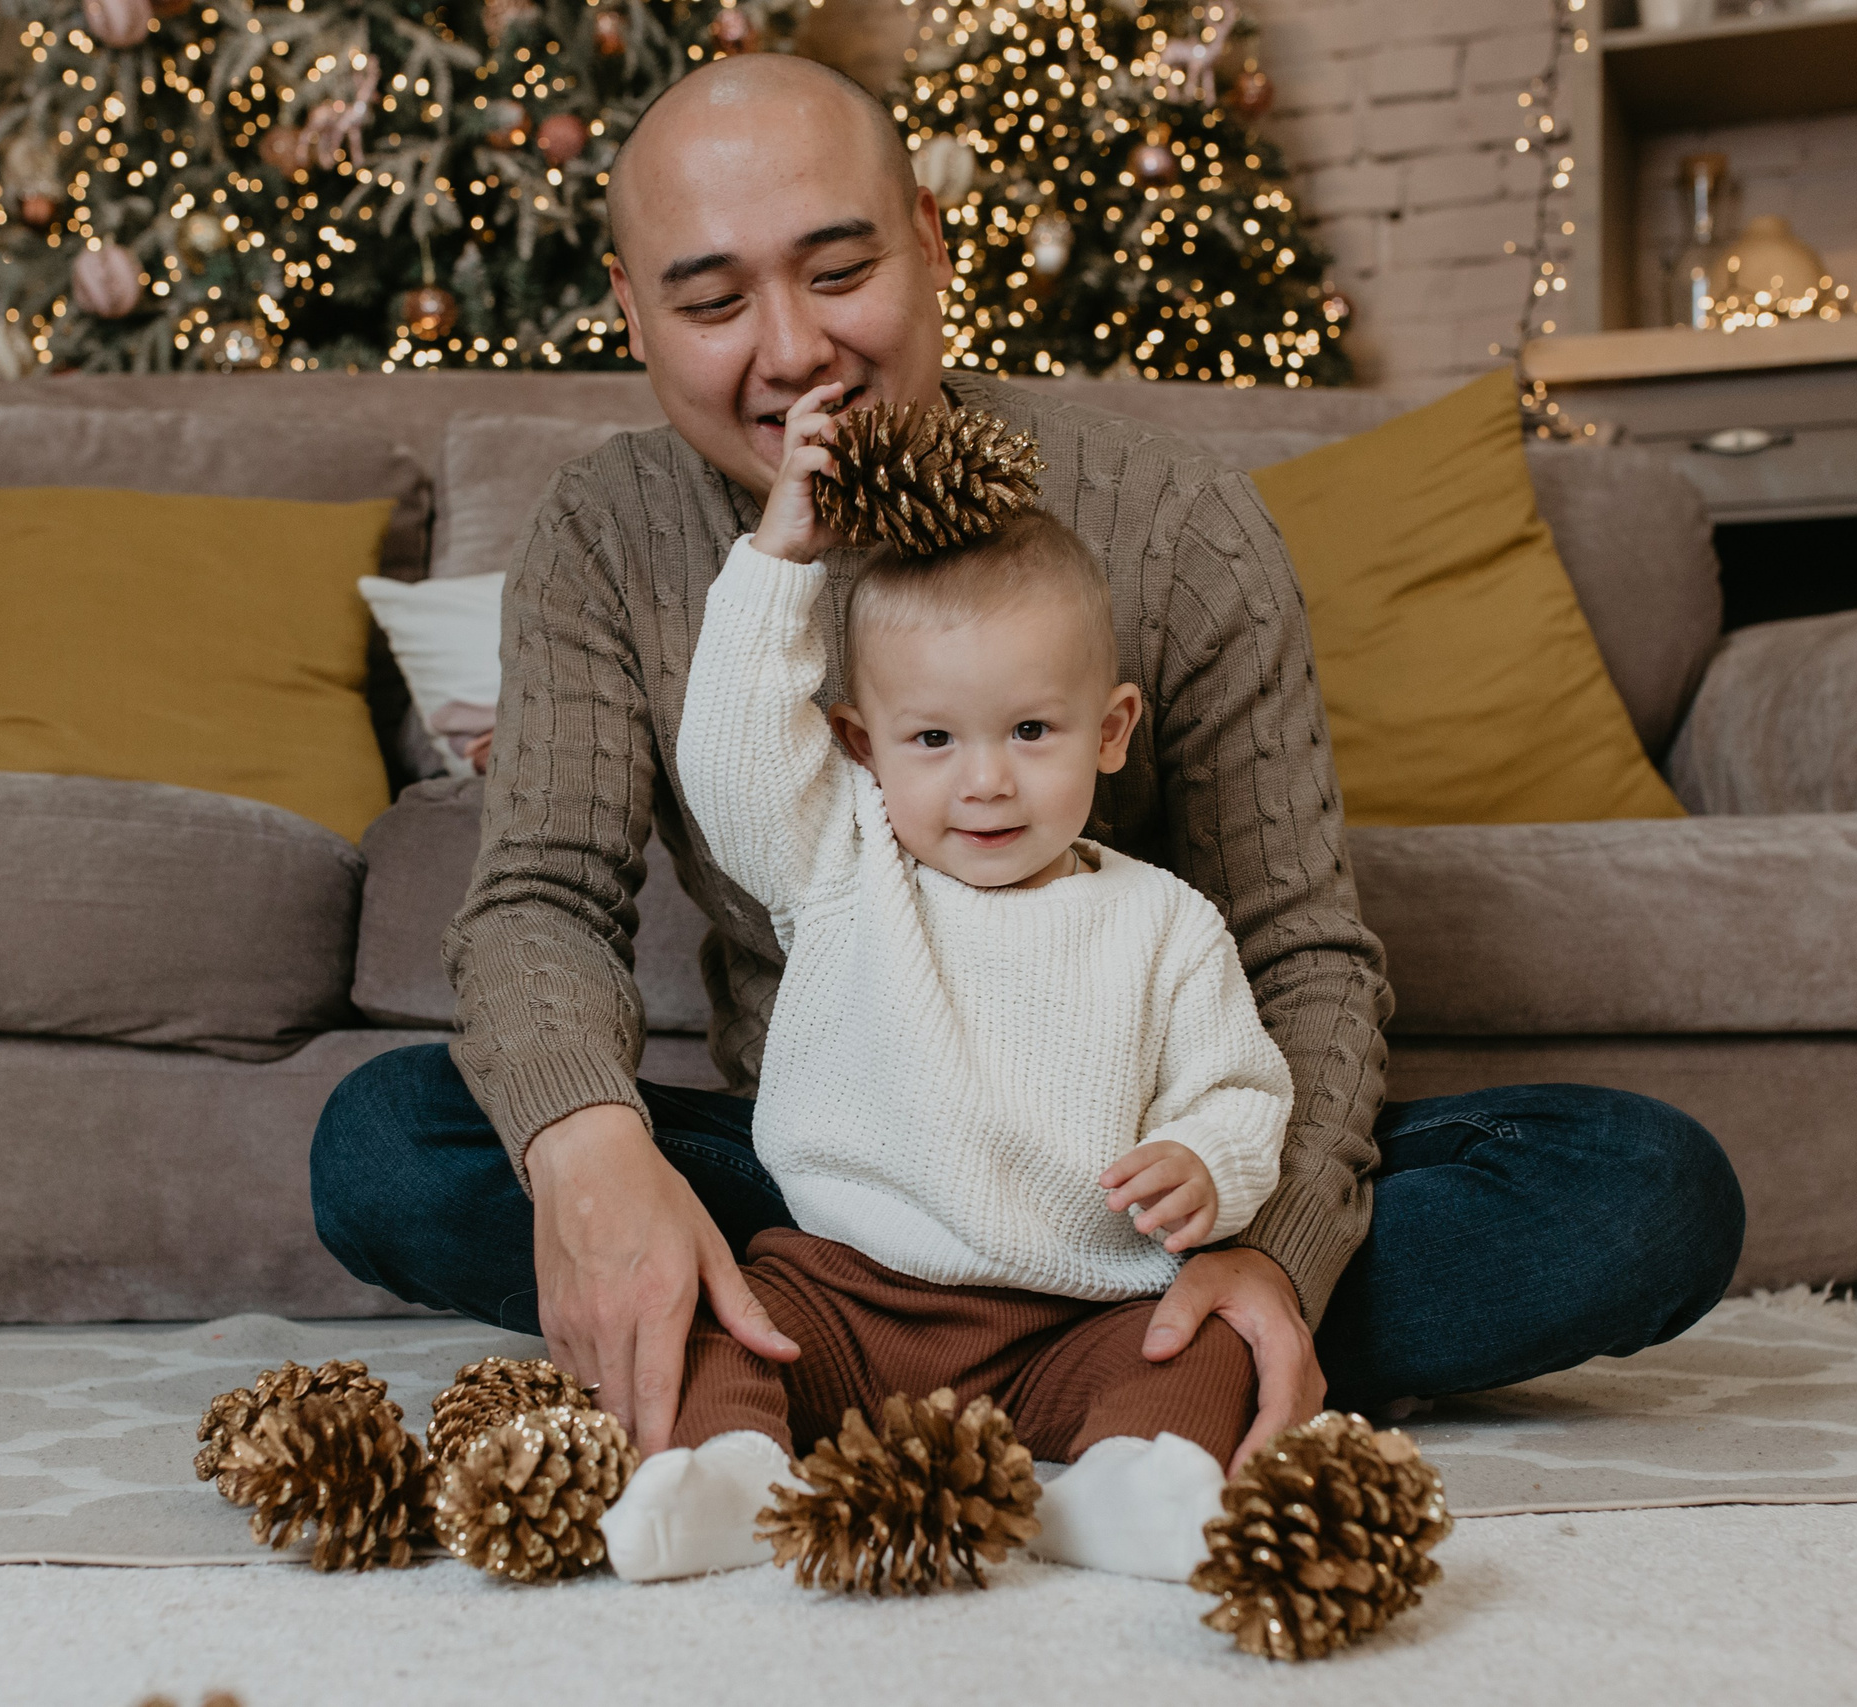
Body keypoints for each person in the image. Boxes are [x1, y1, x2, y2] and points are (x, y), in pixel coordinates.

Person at [309, 52, 1746, 1478]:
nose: (792, 348)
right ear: (632, 313)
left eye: (838, 268)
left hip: (1140, 1202)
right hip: (831, 1199)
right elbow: (540, 902)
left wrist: (1275, 1252)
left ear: (931, 243)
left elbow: (1303, 951)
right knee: (388, 1141)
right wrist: (590, 1157)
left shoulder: (1175, 523)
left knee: (1643, 1190)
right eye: (710, 299)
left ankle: (948, 1358)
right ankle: (1069, 1377)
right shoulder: (606, 534)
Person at [602, 384, 1290, 1583]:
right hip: (845, 1290)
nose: (984, 784)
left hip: (1074, 1313)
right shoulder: (842, 861)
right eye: (934, 741)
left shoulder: (1163, 921)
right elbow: (725, 758)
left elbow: (1238, 1090)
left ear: (1111, 728)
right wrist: (779, 555)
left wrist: (1206, 1167)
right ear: (863, 746)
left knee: (1205, 1342)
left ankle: (1141, 1484)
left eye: (1031, 731)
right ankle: (728, 1475)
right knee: (727, 1319)